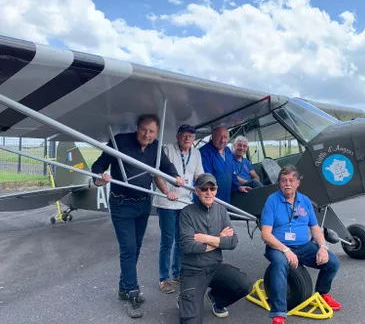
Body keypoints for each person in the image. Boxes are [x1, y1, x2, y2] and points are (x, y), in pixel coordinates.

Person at [91, 114, 184, 319]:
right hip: (121, 203)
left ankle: (123, 288)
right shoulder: (119, 142)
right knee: (128, 249)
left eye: (151, 131)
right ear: (137, 128)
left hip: (143, 204)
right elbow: (98, 165)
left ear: (156, 133)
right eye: (143, 129)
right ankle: (133, 294)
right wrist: (100, 178)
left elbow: (166, 166)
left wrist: (176, 176)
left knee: (137, 247)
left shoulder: (156, 147)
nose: (147, 135)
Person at [260, 165, 342, 324]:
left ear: (298, 182)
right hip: (278, 246)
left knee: (332, 262)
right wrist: (286, 250)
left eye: (291, 180)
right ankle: (278, 312)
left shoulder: (304, 201)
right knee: (280, 264)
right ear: (279, 183)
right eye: (283, 180)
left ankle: (323, 294)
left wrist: (323, 248)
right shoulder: (272, 201)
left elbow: (315, 228)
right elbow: (265, 235)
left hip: (303, 246)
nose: (287, 183)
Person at [177, 173, 252, 324]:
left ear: (216, 190)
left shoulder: (221, 211)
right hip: (193, 270)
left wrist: (206, 239)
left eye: (212, 188)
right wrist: (219, 240)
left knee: (245, 285)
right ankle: (185, 299)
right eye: (204, 189)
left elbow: (233, 242)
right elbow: (188, 246)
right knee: (190, 321)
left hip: (216, 267)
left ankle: (217, 299)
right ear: (196, 191)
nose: (209, 192)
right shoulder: (186, 213)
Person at [152, 124, 204, 294]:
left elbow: (199, 177)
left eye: (190, 135)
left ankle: (177, 273)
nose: (187, 138)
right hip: (167, 202)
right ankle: (163, 279)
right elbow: (156, 174)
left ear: (194, 138)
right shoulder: (167, 150)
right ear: (177, 136)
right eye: (184, 135)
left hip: (185, 203)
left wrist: (207, 192)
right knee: (167, 241)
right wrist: (167, 192)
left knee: (182, 241)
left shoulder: (196, 153)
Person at [199, 126, 251, 203]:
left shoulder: (228, 151)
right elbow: (207, 178)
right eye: (219, 137)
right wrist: (210, 197)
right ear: (212, 136)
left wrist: (238, 187)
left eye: (225, 137)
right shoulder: (204, 152)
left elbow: (231, 173)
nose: (222, 140)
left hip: (226, 198)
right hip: (212, 199)